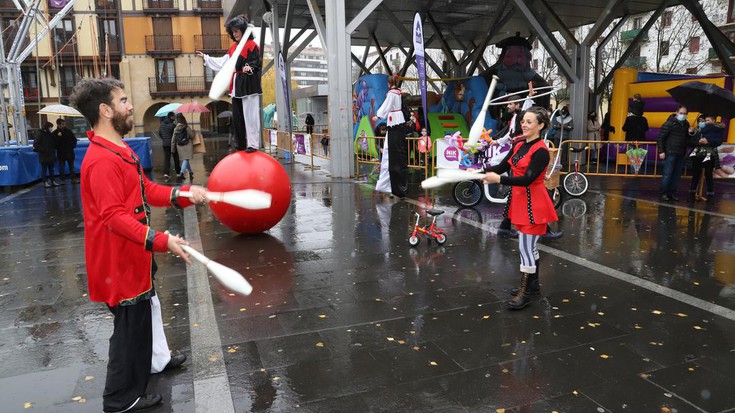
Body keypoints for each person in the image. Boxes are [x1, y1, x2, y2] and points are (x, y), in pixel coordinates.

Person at [69, 77, 207, 413]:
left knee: (144, 317)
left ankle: (150, 368)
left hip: (134, 258)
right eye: (124, 100)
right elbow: (114, 218)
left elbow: (147, 191)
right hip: (118, 264)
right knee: (129, 332)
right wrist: (162, 240)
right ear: (106, 110)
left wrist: (186, 194)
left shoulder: (119, 149)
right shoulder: (102, 160)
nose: (131, 106)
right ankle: (119, 398)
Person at [480, 107, 559, 310]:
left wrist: (499, 179)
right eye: (523, 121)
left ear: (541, 126)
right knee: (529, 248)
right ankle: (533, 287)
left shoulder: (541, 150)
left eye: (529, 122)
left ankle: (525, 292)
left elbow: (527, 179)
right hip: (521, 200)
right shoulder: (519, 145)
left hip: (534, 203)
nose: (524, 124)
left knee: (526, 248)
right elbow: (502, 166)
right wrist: (480, 171)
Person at [197, 15, 261, 152]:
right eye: (232, 31)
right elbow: (222, 62)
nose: (234, 34)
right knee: (237, 117)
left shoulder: (252, 45)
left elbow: (257, 62)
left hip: (249, 84)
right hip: (236, 85)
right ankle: (241, 144)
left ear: (243, 31)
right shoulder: (233, 48)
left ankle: (253, 144)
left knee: (250, 116)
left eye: (236, 31)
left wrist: (250, 67)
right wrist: (206, 58)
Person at [373, 74, 409, 198]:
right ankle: (390, 185)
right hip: (398, 121)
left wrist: (378, 115)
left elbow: (386, 107)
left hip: (394, 122)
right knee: (395, 154)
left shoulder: (392, 93)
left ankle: (389, 186)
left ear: (389, 83)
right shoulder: (399, 93)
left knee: (391, 155)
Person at [657, 105, 700, 202]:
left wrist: (691, 133)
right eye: (681, 113)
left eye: (685, 113)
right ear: (676, 113)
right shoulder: (669, 123)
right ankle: (664, 193)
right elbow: (661, 138)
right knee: (668, 174)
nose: (683, 115)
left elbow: (687, 139)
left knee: (676, 175)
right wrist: (661, 151)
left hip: (681, 153)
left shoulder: (686, 124)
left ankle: (672, 193)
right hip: (670, 152)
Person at [688, 114, 724, 203]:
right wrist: (698, 141)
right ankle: (692, 194)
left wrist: (709, 141)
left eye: (705, 120)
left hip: (709, 153)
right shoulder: (696, 131)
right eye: (700, 121)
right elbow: (690, 141)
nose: (702, 123)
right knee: (696, 174)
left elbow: (719, 141)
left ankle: (710, 196)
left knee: (708, 175)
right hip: (697, 154)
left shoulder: (717, 130)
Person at [33, 121, 61, 188]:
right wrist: (43, 150)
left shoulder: (50, 134)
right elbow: (36, 144)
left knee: (51, 169)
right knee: (44, 169)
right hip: (44, 154)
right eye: (51, 127)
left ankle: (53, 181)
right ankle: (45, 182)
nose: (51, 128)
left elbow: (53, 143)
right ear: (47, 127)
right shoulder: (40, 133)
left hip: (50, 154)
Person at [172, 113, 195, 182]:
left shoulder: (175, 129)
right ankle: (182, 172)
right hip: (187, 145)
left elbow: (173, 139)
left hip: (179, 146)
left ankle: (190, 172)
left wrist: (172, 148)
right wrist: (193, 132)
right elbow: (192, 136)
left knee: (186, 159)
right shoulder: (186, 127)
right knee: (186, 159)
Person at [158, 111, 179, 181]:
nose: (175, 117)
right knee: (176, 157)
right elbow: (175, 135)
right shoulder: (172, 125)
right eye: (174, 116)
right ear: (171, 117)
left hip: (165, 144)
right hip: (172, 144)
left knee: (167, 158)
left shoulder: (162, 124)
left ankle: (166, 173)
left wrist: (164, 139)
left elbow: (160, 133)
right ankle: (178, 172)